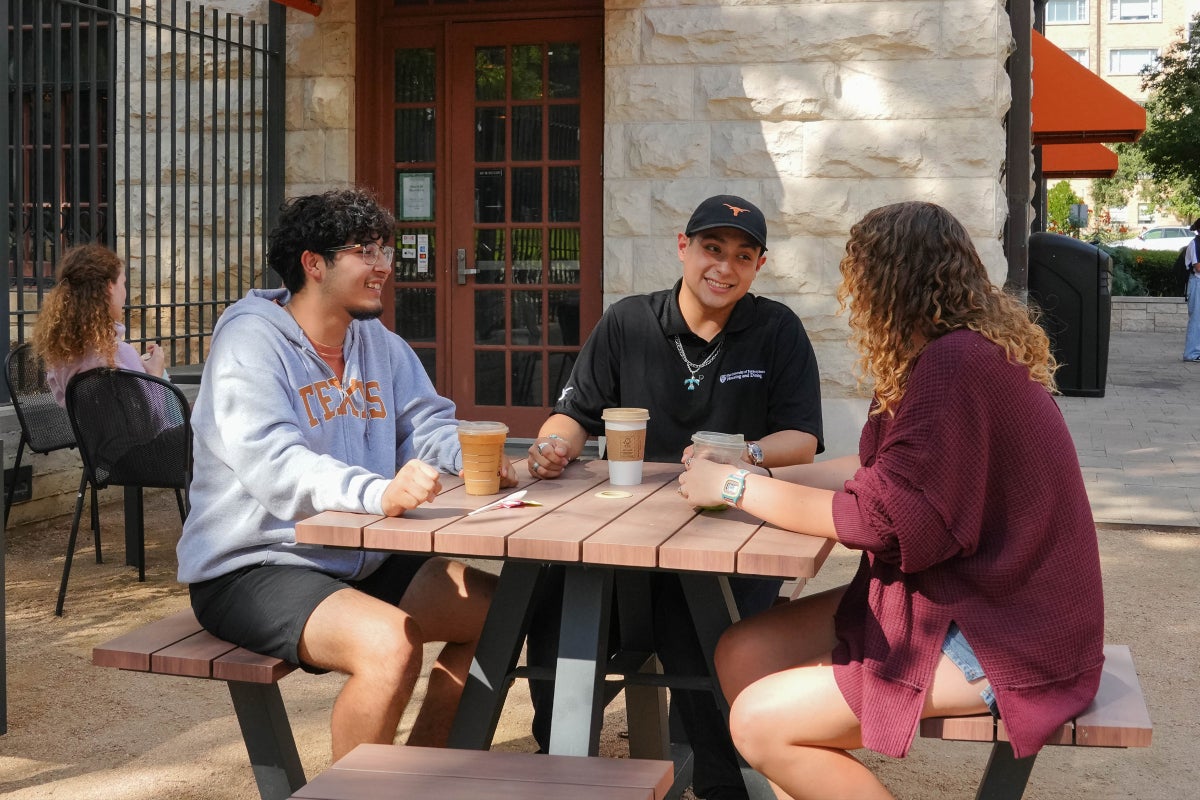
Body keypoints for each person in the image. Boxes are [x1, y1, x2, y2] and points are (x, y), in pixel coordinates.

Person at [679, 201, 1104, 800]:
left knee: (758, 720)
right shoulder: (936, 357)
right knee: (744, 649)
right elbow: (874, 471)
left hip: (1007, 632)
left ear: (884, 282)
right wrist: (750, 461)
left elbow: (872, 518)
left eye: (858, 276)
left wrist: (733, 488)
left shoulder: (956, 365)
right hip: (959, 598)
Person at [175, 187, 519, 761]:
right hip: (257, 563)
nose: (384, 266)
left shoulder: (375, 341)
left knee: (502, 614)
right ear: (314, 263)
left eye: (386, 249)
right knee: (391, 644)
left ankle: (424, 773)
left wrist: (473, 455)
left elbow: (423, 422)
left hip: (361, 552)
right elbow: (275, 464)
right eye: (366, 251)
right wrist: (377, 491)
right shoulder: (248, 343)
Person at [526, 194, 824, 799]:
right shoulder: (629, 321)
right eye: (713, 248)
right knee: (556, 610)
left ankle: (721, 785)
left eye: (743, 255)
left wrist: (749, 455)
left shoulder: (776, 329)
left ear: (759, 267)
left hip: (729, 525)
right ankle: (559, 770)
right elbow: (572, 414)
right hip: (625, 529)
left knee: (703, 636)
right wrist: (551, 448)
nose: (725, 267)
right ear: (684, 248)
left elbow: (804, 438)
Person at [31, 243, 167, 406]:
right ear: (110, 287)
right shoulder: (120, 353)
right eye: (123, 283)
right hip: (147, 431)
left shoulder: (60, 357)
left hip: (88, 432)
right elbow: (154, 418)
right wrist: (156, 374)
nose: (125, 292)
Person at [1180, 218, 1200, 362]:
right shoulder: (1195, 244)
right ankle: (1192, 353)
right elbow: (1197, 266)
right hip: (1197, 282)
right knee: (1196, 319)